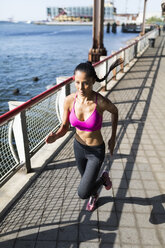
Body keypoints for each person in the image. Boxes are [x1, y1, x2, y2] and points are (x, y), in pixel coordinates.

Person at [46, 58, 123, 211]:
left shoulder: (99, 102)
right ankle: (94, 195)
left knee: (82, 192)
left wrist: (113, 138)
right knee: (86, 183)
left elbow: (115, 111)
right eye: (77, 82)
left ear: (93, 81)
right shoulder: (69, 101)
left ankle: (102, 179)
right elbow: (64, 127)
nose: (81, 87)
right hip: (78, 148)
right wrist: (55, 137)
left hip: (96, 151)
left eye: (86, 83)